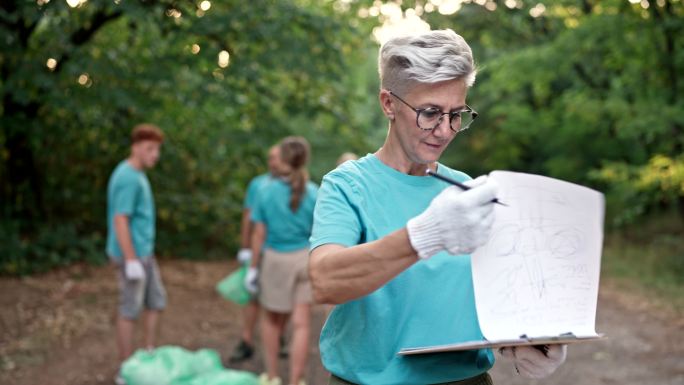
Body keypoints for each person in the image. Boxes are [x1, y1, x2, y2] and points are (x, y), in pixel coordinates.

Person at [308, 30, 567, 385]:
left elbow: (492, 291)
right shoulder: (348, 185)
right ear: (389, 103)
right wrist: (424, 235)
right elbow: (325, 281)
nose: (444, 131)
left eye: (456, 114)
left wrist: (523, 340)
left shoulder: (465, 189)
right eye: (430, 113)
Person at [245, 136, 318, 385]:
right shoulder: (314, 191)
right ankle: (297, 379)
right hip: (304, 259)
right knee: (301, 324)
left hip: (276, 261)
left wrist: (252, 268)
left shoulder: (265, 191)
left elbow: (259, 234)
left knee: (272, 321)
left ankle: (273, 376)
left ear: (283, 159)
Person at [106, 124, 167, 385]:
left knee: (156, 302)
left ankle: (148, 355)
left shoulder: (139, 173)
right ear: (135, 147)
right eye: (149, 149)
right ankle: (126, 369)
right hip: (132, 255)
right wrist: (131, 260)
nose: (155, 154)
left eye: (157, 150)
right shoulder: (128, 177)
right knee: (130, 309)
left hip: (144, 253)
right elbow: (120, 220)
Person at [230, 145, 282, 363]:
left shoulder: (295, 186)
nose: (272, 162)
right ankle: (247, 339)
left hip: (280, 252)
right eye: (269, 157)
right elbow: (248, 218)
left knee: (280, 299)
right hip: (259, 250)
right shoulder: (258, 185)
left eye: (276, 158)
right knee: (252, 298)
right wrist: (245, 247)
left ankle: (279, 338)